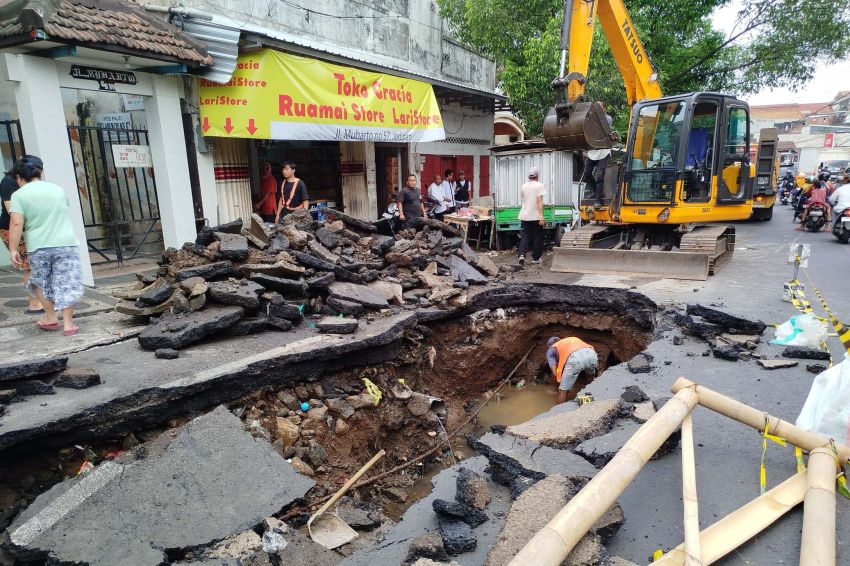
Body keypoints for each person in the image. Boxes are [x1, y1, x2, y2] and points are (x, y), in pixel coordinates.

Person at [7, 155, 84, 336]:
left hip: (39, 246)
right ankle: (68, 324)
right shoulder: (58, 190)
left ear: (19, 177)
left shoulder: (18, 195)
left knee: (39, 283)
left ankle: (50, 317)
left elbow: (16, 224)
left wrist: (13, 249)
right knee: (66, 282)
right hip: (66, 244)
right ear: (39, 172)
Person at [1, 170, 43, 314]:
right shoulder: (8, 182)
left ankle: (40, 301)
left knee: (34, 265)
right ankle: (34, 304)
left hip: (28, 229)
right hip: (12, 229)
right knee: (30, 266)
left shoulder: (28, 183)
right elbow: (11, 211)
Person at [546, 336, 598, 404]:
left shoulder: (551, 350)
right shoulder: (571, 339)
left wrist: (556, 387)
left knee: (563, 390)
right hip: (591, 353)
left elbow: (554, 372)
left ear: (550, 346)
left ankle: (558, 411)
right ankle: (591, 397)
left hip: (575, 358)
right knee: (590, 376)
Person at [585, 102, 614, 209]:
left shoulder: (608, 118)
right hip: (592, 150)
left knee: (600, 175)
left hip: (603, 151)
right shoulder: (589, 119)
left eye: (599, 107)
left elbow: (603, 126)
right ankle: (597, 191)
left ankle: (598, 200)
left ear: (603, 109)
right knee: (587, 173)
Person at [517, 166, 545, 266]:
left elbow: (525, 200)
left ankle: (521, 255)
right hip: (536, 216)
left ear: (529, 176)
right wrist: (541, 215)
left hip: (525, 215)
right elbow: (539, 201)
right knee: (538, 236)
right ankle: (535, 258)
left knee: (525, 236)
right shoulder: (539, 185)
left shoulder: (524, 186)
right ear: (537, 176)